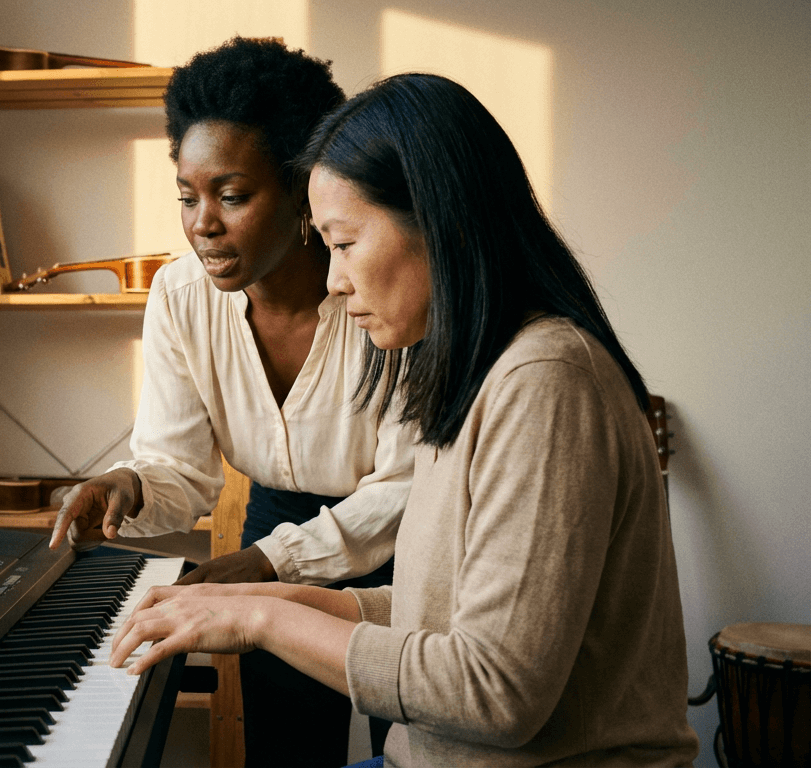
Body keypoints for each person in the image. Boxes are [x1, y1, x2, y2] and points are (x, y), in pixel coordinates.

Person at [109, 73, 701, 768]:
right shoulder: (480, 371)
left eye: (344, 243)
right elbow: (437, 610)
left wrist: (260, 615)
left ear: (437, 220)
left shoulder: (547, 383)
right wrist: (263, 601)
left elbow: (494, 691)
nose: (332, 281)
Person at [48, 38, 415, 765]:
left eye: (233, 195)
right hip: (273, 526)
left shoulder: (385, 290)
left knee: (411, 747)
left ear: (303, 187)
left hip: (403, 543)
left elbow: (406, 487)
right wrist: (129, 485)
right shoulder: (179, 299)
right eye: (187, 195)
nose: (202, 224)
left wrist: (267, 565)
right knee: (282, 750)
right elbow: (180, 472)